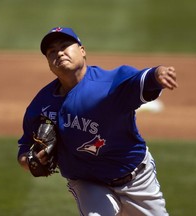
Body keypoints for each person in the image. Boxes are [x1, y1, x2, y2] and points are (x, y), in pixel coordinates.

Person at [17, 26, 178, 216]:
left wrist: (157, 73)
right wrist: (29, 160)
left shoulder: (108, 84)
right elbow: (25, 148)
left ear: (82, 51)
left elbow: (139, 79)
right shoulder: (42, 103)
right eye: (51, 51)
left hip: (136, 178)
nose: (59, 53)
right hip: (87, 182)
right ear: (49, 63)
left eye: (65, 46)